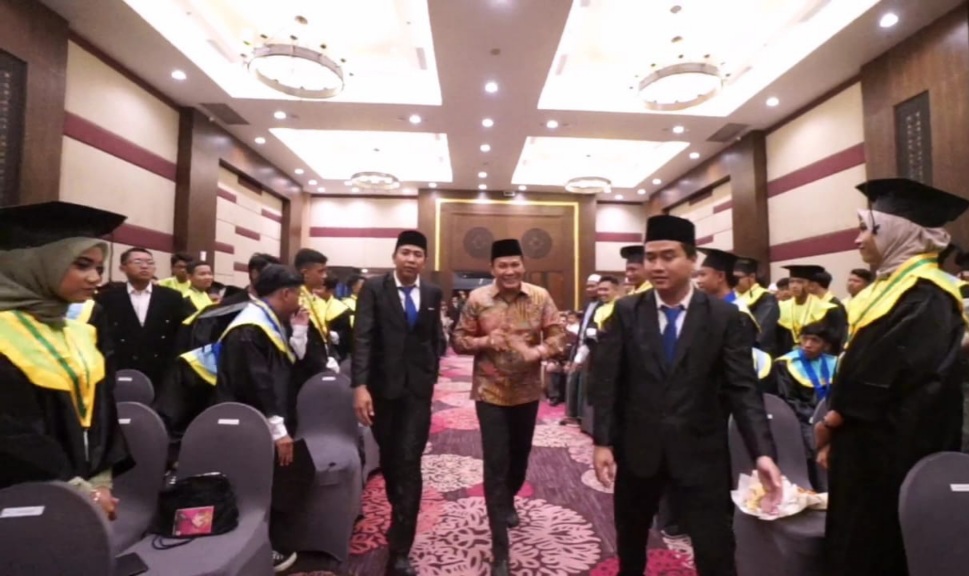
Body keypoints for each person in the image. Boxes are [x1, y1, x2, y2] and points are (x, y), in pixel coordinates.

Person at [590, 215, 782, 576]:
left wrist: (762, 452)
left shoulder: (723, 316)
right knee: (631, 541)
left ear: (692, 260)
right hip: (638, 449)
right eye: (651, 257)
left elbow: (743, 389)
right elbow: (608, 380)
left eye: (668, 256)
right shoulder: (627, 311)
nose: (657, 266)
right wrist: (602, 441)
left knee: (715, 548)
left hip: (700, 452)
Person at [815, 178, 969, 576]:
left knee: (876, 545)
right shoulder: (895, 288)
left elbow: (880, 373)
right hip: (867, 442)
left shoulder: (927, 296)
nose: (857, 239)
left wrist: (833, 421)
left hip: (894, 449)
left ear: (897, 232)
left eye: (866, 229)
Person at [0, 201, 133, 521]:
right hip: (21, 497)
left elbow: (101, 409)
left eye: (99, 268)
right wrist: (77, 490)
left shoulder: (79, 332)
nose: (95, 278)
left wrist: (100, 482)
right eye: (82, 265)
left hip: (84, 494)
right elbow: (12, 434)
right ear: (37, 264)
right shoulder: (5, 335)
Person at [452, 238, 567, 576]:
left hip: (527, 393)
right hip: (490, 393)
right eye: (502, 265)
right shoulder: (478, 299)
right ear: (492, 269)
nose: (509, 271)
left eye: (515, 264)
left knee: (519, 460)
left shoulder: (540, 297)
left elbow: (558, 336)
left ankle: (507, 498)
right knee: (495, 465)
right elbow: (458, 341)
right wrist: (486, 341)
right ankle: (499, 549)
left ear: (523, 266)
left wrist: (539, 352)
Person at [352, 230, 444, 576]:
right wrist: (360, 385)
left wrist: (431, 373)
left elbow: (433, 337)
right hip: (382, 391)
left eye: (417, 254)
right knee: (391, 461)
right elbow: (362, 337)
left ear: (424, 261)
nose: (411, 259)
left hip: (417, 393)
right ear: (394, 256)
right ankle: (399, 508)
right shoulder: (374, 289)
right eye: (405, 252)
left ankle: (401, 548)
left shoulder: (432, 292)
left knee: (409, 461)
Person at [213, 264, 307, 573]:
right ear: (286, 293)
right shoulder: (249, 329)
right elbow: (258, 384)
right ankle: (259, 549)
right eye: (298, 294)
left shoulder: (270, 320)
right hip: (253, 424)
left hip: (266, 419)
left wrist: (300, 330)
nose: (300, 300)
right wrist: (278, 430)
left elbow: (286, 363)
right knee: (256, 486)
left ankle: (268, 541)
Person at [97, 247, 189, 390]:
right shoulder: (107, 298)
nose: (145, 266)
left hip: (161, 369)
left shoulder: (171, 297)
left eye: (150, 263)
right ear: (122, 267)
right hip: (121, 367)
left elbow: (180, 333)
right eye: (138, 262)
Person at [774, 321, 836, 487]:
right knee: (812, 440)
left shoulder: (835, 364)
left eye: (815, 340)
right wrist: (813, 418)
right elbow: (788, 399)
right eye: (805, 339)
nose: (808, 344)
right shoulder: (786, 364)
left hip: (830, 419)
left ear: (826, 345)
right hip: (801, 419)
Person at [694, 248, 759, 346]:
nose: (698, 281)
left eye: (703, 275)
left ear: (720, 276)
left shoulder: (739, 313)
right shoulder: (704, 308)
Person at [562, 274, 602, 425]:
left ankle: (581, 417)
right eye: (588, 286)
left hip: (590, 348)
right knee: (573, 379)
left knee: (583, 382)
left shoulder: (603, 306)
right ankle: (572, 414)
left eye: (593, 286)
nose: (589, 289)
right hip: (579, 344)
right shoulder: (587, 304)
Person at [775, 265, 842, 354]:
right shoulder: (781, 307)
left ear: (811, 285)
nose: (794, 286)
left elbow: (834, 340)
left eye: (800, 282)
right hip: (787, 356)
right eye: (791, 282)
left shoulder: (827, 309)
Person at [735, 257, 780, 356]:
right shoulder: (733, 297)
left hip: (759, 352)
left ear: (752, 277)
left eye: (737, 278)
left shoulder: (766, 298)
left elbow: (761, 331)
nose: (733, 281)